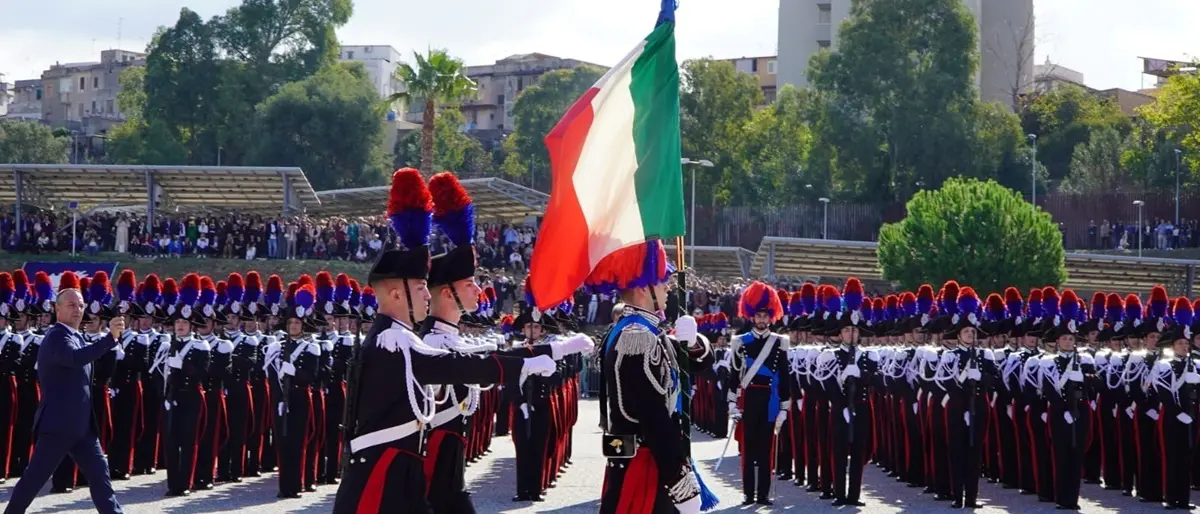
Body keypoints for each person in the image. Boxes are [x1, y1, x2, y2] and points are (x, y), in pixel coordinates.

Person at [332, 168, 557, 514]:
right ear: (395, 293)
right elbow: (454, 365)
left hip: (401, 473)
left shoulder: (401, 338)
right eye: (421, 288)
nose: (428, 296)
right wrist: (524, 364)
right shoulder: (391, 340)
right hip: (381, 478)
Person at [594, 239, 708, 514]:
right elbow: (653, 416)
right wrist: (679, 481)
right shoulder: (637, 336)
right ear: (644, 288)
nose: (668, 287)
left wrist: (693, 341)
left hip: (642, 458)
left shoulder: (637, 329)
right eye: (662, 281)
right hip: (646, 464)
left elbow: (695, 365)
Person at [3, 272, 124, 514]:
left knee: (101, 479)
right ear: (58, 309)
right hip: (58, 425)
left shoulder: (76, 337)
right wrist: (110, 338)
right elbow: (75, 358)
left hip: (82, 427)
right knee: (33, 480)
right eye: (71, 305)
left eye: (80, 305)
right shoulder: (57, 336)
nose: (78, 310)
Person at [726, 280, 790, 506]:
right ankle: (748, 493)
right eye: (759, 316)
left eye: (766, 316)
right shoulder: (740, 342)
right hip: (749, 399)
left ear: (771, 317)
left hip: (769, 400)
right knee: (748, 448)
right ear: (751, 316)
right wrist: (732, 404)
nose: (762, 320)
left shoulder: (780, 342)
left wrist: (784, 406)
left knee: (765, 449)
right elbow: (734, 375)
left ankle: (763, 494)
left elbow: (784, 376)